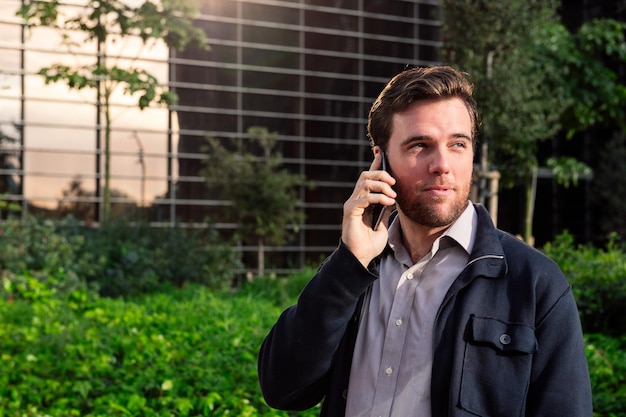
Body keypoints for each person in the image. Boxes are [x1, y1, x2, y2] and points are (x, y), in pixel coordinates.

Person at [257, 65, 592, 417]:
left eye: (458, 144)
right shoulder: (356, 268)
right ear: (380, 160)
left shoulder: (536, 283)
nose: (442, 165)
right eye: (420, 145)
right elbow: (282, 389)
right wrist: (348, 264)